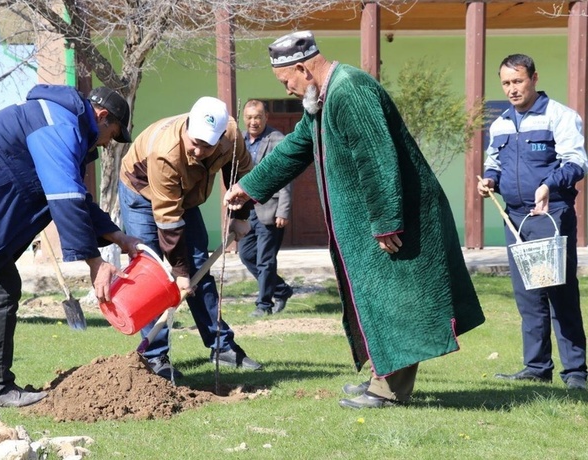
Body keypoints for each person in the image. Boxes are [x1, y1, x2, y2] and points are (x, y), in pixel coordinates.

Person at [224, 31, 485, 408]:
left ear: (302, 67)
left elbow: (376, 159)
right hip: (373, 221)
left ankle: (389, 391)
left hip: (396, 218)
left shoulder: (349, 89)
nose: (290, 89)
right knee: (377, 298)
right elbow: (297, 148)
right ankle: (381, 375)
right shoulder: (322, 98)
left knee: (394, 300)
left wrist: (386, 221)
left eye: (287, 82)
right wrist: (249, 186)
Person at [0, 84, 141, 408]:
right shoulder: (60, 124)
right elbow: (65, 197)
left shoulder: (58, 118)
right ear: (102, 116)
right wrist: (94, 263)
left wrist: (117, 236)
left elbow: (76, 196)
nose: (107, 145)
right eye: (112, 135)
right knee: (2, 290)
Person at [119, 96, 262, 379]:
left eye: (206, 145)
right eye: (194, 141)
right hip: (141, 190)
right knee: (151, 272)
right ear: (187, 127)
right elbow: (168, 219)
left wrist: (241, 215)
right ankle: (155, 357)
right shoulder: (166, 152)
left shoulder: (231, 135)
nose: (197, 150)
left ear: (221, 138)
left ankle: (221, 345)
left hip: (184, 193)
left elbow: (243, 174)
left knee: (200, 266)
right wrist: (179, 272)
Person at [478, 54, 588, 391]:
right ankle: (537, 367)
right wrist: (489, 181)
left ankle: (576, 373)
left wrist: (548, 186)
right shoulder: (500, 124)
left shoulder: (561, 116)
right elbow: (493, 161)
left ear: (534, 78)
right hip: (515, 219)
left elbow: (577, 163)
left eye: (518, 81)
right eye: (506, 83)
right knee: (528, 295)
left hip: (550, 215)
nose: (512, 89)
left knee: (558, 291)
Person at [239, 99, 294, 317]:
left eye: (258, 117)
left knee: (265, 259)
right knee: (246, 255)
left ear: (266, 118)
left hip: (270, 208)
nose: (253, 122)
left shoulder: (277, 140)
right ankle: (281, 289)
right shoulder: (240, 141)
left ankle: (264, 305)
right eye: (250, 117)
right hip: (246, 210)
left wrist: (283, 210)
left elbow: (286, 177)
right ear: (244, 118)